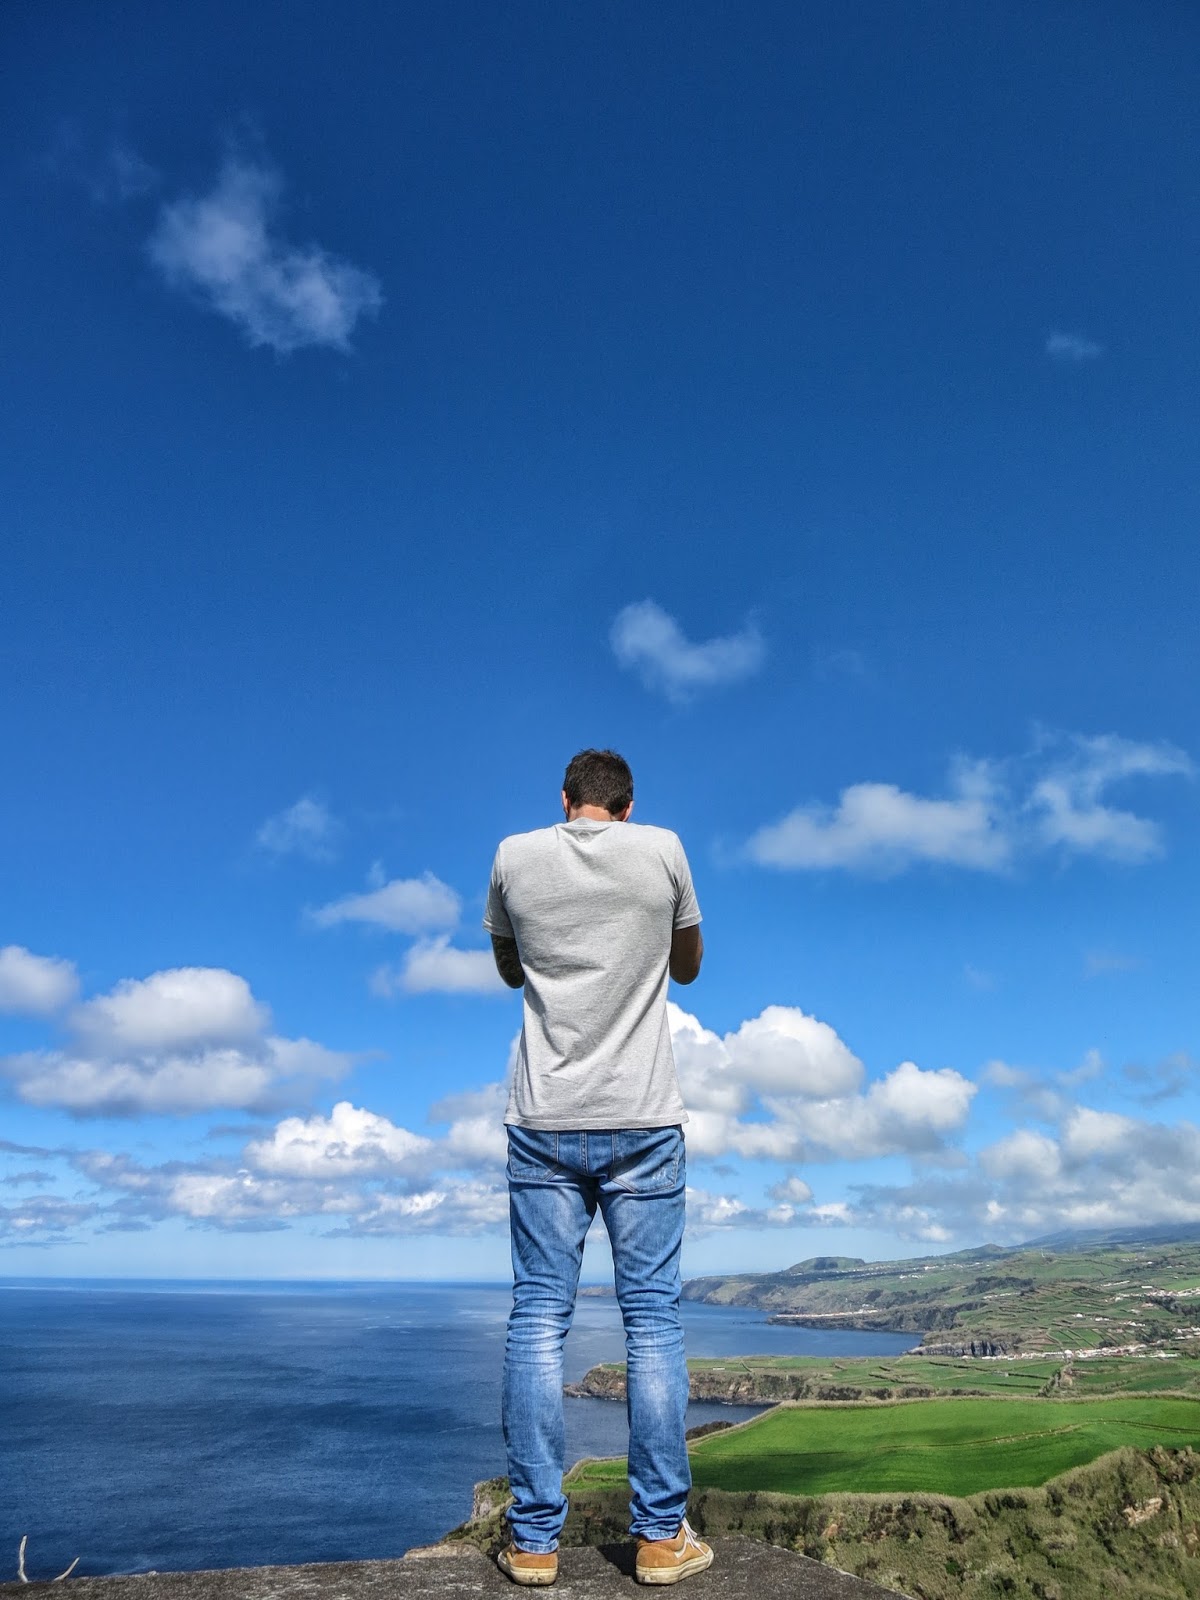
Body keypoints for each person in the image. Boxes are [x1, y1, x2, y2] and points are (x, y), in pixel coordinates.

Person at [483, 748, 712, 1588]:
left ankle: (534, 1542)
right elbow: (687, 966)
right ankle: (658, 1539)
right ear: (627, 806)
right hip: (644, 1113)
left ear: (565, 800)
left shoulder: (513, 857)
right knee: (651, 1320)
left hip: (544, 1115)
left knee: (538, 1316)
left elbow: (510, 967)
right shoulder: (664, 849)